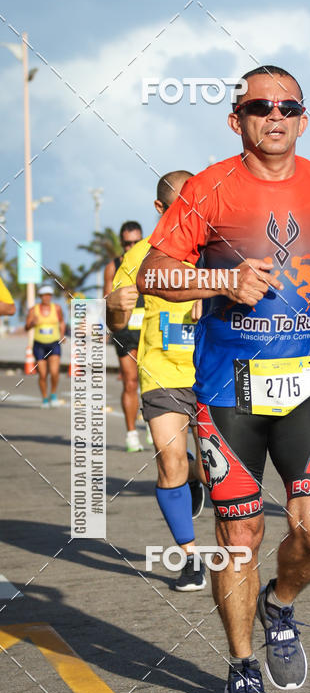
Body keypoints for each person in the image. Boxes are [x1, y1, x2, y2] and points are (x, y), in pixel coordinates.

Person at [138, 65, 310, 693]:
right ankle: (239, 669)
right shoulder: (209, 189)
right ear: (236, 118)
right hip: (225, 393)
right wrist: (222, 284)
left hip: (308, 385)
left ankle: (281, 605)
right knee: (241, 538)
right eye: (261, 106)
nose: (276, 116)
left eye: (288, 107)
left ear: (302, 119)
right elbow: (154, 272)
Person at [106, 171, 207, 593]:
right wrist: (114, 306)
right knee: (170, 462)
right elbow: (118, 320)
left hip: (214, 373)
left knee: (213, 469)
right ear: (160, 210)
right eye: (180, 207)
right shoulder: (140, 256)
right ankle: (190, 558)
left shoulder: (217, 248)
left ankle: (198, 480)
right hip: (161, 372)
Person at [104, 221, 145, 452]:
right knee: (130, 381)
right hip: (124, 330)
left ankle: (151, 421)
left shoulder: (151, 264)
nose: (131, 247)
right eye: (127, 243)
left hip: (150, 327)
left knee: (149, 382)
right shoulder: (113, 266)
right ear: (121, 243)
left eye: (136, 242)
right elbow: (106, 301)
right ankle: (131, 434)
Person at [25, 283, 66, 408]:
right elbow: (26, 327)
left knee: (54, 372)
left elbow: (62, 322)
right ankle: (44, 398)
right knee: (42, 374)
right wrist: (33, 322)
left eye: (49, 295)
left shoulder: (57, 308)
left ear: (51, 296)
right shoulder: (34, 310)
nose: (46, 298)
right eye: (44, 295)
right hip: (39, 345)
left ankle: (53, 394)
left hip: (54, 343)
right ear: (40, 296)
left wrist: (62, 335)